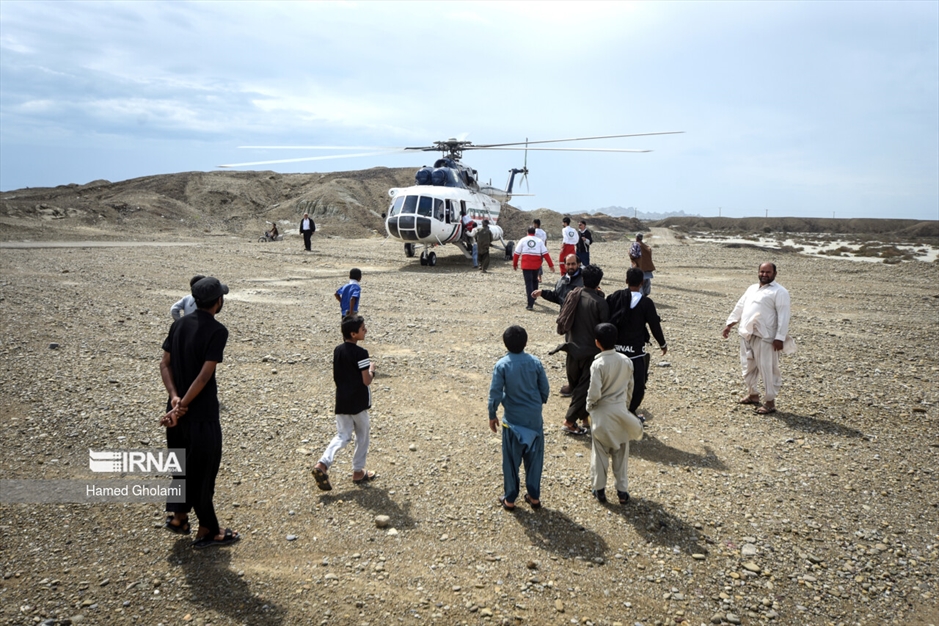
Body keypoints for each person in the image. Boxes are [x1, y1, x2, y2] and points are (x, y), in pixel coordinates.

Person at [159, 276, 240, 549]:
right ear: (218, 302)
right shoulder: (217, 331)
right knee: (204, 471)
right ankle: (208, 529)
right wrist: (184, 405)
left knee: (180, 467)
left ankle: (179, 517)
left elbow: (164, 364)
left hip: (174, 412)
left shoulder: (178, 325)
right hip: (200, 413)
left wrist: (174, 399)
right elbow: (205, 376)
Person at [488, 325, 550, 511]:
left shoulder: (502, 365)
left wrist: (492, 415)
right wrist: (538, 402)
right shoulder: (535, 362)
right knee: (535, 461)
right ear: (526, 342)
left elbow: (495, 393)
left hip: (512, 422)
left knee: (510, 462)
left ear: (505, 343)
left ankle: (510, 499)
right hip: (534, 421)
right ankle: (534, 497)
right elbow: (545, 389)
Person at [313, 315, 377, 489]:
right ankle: (358, 471)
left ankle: (323, 464)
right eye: (363, 329)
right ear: (353, 333)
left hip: (342, 400)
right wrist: (372, 370)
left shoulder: (338, 350)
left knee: (342, 436)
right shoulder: (361, 353)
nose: (366, 331)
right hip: (358, 402)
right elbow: (366, 381)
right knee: (362, 435)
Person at [722, 262, 792, 415]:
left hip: (766, 336)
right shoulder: (752, 288)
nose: (764, 275)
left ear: (775, 273)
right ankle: (753, 394)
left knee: (767, 368)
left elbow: (784, 316)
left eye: (768, 272)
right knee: (748, 366)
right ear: (758, 272)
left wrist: (780, 337)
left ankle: (770, 402)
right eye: (762, 271)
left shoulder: (780, 292)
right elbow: (740, 306)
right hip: (746, 333)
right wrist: (730, 324)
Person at [586, 323, 644, 505]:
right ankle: (622, 491)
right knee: (621, 454)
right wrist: (625, 407)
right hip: (621, 413)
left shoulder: (598, 364)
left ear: (597, 342)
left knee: (600, 454)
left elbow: (594, 392)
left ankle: (600, 490)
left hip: (602, 414)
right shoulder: (626, 361)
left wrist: (590, 406)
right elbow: (630, 387)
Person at [607, 267, 667, 420]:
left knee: (614, 381)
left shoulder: (615, 297)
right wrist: (662, 344)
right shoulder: (646, 303)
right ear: (642, 283)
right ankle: (629, 411)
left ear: (626, 281)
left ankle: (612, 409)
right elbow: (654, 325)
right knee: (637, 384)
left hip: (615, 349)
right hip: (636, 352)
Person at [555, 264, 609, 434]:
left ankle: (584, 419)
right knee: (584, 388)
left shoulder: (573, 295)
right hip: (590, 352)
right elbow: (605, 329)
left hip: (571, 347)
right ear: (598, 282)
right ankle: (569, 421)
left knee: (576, 385)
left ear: (583, 279)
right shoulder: (600, 303)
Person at [513, 227, 555, 311]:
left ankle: (530, 304)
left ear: (527, 232)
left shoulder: (523, 240)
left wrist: (515, 264)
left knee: (529, 284)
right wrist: (551, 265)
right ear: (534, 233)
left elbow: (516, 253)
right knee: (535, 281)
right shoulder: (539, 241)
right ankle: (534, 297)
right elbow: (546, 254)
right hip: (536, 265)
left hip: (526, 265)